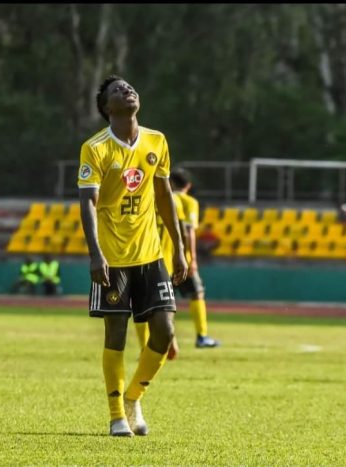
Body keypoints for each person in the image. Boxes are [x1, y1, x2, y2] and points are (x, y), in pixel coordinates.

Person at [78, 75, 187, 437]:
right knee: (116, 333)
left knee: (164, 331)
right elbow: (88, 203)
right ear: (108, 108)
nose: (127, 90)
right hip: (112, 256)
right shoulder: (95, 148)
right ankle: (115, 415)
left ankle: (133, 396)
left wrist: (180, 249)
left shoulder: (157, 141)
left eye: (129, 86)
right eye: (116, 90)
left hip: (151, 254)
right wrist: (95, 255)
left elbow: (164, 196)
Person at [168, 168, 220, 348]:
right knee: (196, 293)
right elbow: (188, 231)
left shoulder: (162, 198)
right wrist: (193, 259)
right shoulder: (188, 202)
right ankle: (202, 336)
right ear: (188, 185)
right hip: (182, 258)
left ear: (171, 183)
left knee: (166, 300)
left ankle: (166, 337)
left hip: (160, 257)